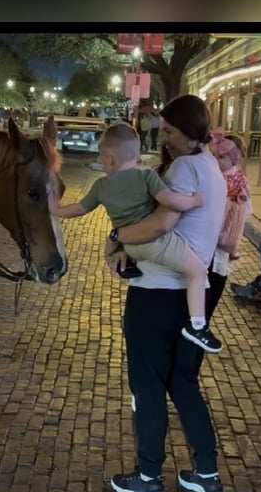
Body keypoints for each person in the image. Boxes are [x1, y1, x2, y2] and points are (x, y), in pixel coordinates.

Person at [103, 95, 227, 492]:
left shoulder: (185, 168)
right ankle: (205, 473)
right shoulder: (212, 168)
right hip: (192, 295)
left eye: (171, 131)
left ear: (191, 133)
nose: (165, 138)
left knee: (148, 384)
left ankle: (148, 475)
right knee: (185, 383)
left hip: (156, 292)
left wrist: (117, 237)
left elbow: (160, 223)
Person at [49, 122, 222, 353]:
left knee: (117, 250)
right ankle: (197, 326)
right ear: (137, 154)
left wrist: (55, 209)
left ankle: (126, 265)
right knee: (198, 271)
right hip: (154, 244)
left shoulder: (101, 186)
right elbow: (172, 201)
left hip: (130, 246)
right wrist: (195, 201)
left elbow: (78, 209)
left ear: (109, 158)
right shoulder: (145, 177)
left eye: (101, 157)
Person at [208, 132, 251, 316]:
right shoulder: (208, 175)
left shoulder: (238, 179)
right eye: (215, 156)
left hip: (222, 246)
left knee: (212, 294)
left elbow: (246, 210)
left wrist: (236, 202)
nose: (217, 161)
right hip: (205, 243)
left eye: (222, 156)